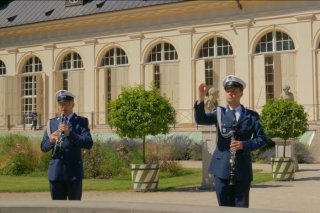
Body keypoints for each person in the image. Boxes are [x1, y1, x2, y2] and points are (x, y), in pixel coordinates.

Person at [194, 75, 267, 208]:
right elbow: (201, 119)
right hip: (221, 169)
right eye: (228, 91)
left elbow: (261, 139)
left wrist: (244, 145)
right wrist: (201, 96)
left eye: (234, 91)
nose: (230, 93)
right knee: (224, 207)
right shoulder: (219, 113)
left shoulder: (251, 116)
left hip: (242, 169)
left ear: (241, 93)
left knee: (241, 207)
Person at [40, 90, 93, 200]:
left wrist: (70, 134)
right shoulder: (52, 123)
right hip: (56, 173)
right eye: (60, 104)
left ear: (73, 105)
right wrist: (51, 141)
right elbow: (43, 147)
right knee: (58, 208)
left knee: (74, 208)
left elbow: (88, 143)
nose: (63, 107)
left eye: (66, 104)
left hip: (73, 172)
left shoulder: (81, 122)